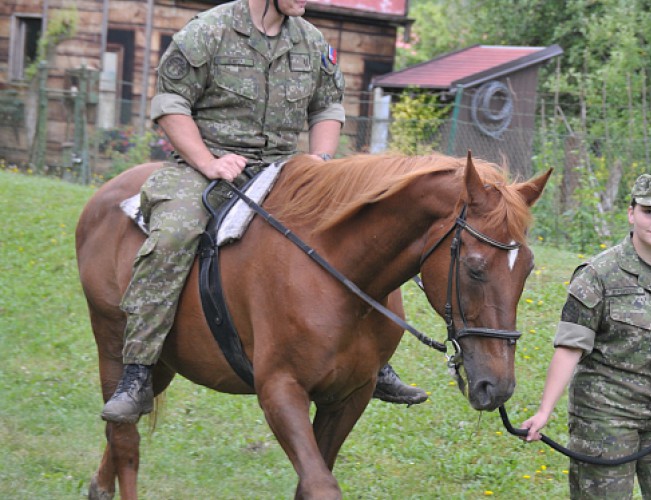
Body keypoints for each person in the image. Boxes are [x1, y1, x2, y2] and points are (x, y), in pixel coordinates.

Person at [101, 0, 426, 424]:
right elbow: (171, 104)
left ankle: (371, 360)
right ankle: (139, 370)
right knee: (173, 236)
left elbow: (327, 106)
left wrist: (322, 162)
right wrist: (209, 162)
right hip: (205, 167)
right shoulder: (207, 32)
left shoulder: (311, 42)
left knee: (356, 231)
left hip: (283, 169)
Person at [520, 174, 651, 499]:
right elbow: (569, 349)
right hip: (603, 416)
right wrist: (544, 412)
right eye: (650, 211)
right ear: (631, 213)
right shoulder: (598, 275)